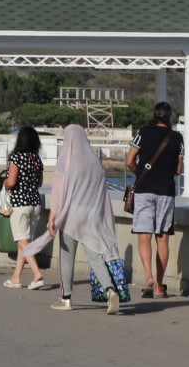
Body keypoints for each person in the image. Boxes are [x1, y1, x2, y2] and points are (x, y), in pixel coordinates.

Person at [38, 124, 124, 314]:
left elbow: (58, 193)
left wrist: (52, 218)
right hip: (92, 216)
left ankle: (65, 298)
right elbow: (102, 194)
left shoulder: (65, 162)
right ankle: (110, 290)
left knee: (67, 257)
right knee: (95, 257)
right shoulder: (95, 163)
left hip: (70, 216)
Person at [127, 101, 183, 298]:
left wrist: (140, 173)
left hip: (145, 189)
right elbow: (178, 169)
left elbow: (129, 160)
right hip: (166, 191)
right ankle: (159, 286)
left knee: (144, 235)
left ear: (154, 115)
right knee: (163, 238)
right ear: (169, 117)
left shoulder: (143, 132)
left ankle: (148, 277)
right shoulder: (177, 137)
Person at [3, 126, 47, 289]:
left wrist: (5, 183)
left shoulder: (16, 158)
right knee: (24, 242)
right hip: (34, 203)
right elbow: (40, 183)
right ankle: (16, 277)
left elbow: (12, 182)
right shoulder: (36, 159)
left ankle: (37, 274)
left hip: (20, 204)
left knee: (23, 241)